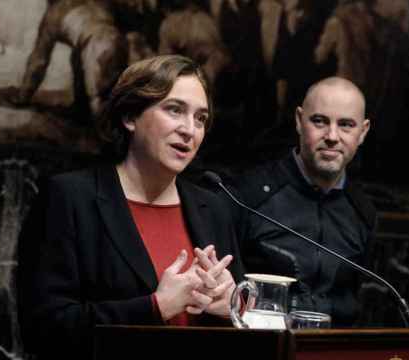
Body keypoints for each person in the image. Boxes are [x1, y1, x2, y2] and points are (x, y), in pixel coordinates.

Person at [17, 54, 243, 359]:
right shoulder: (70, 198)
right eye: (175, 110)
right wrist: (155, 307)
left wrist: (234, 307)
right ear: (130, 117)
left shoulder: (214, 208)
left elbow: (241, 329)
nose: (190, 130)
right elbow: (43, 328)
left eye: (200, 118)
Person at [231, 76, 375, 327]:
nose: (332, 136)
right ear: (299, 121)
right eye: (319, 121)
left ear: (362, 132)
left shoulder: (362, 211)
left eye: (346, 125)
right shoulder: (249, 196)